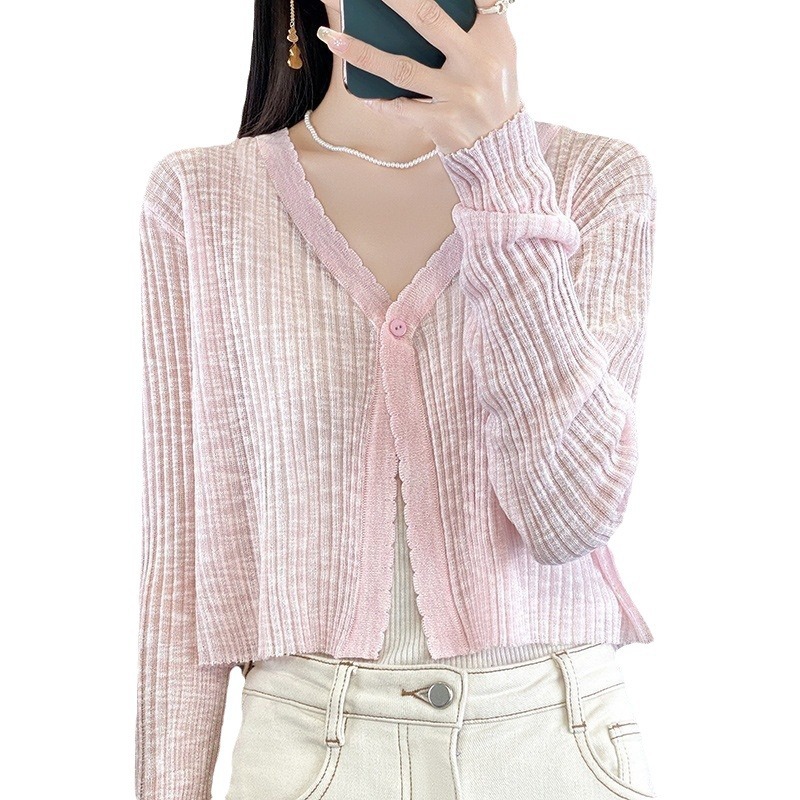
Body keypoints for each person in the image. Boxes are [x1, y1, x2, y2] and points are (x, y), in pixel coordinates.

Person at [135, 1, 659, 798]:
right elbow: (183, 554)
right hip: (305, 754)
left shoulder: (596, 182)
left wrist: (503, 171)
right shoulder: (201, 198)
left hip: (553, 747)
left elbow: (570, 516)